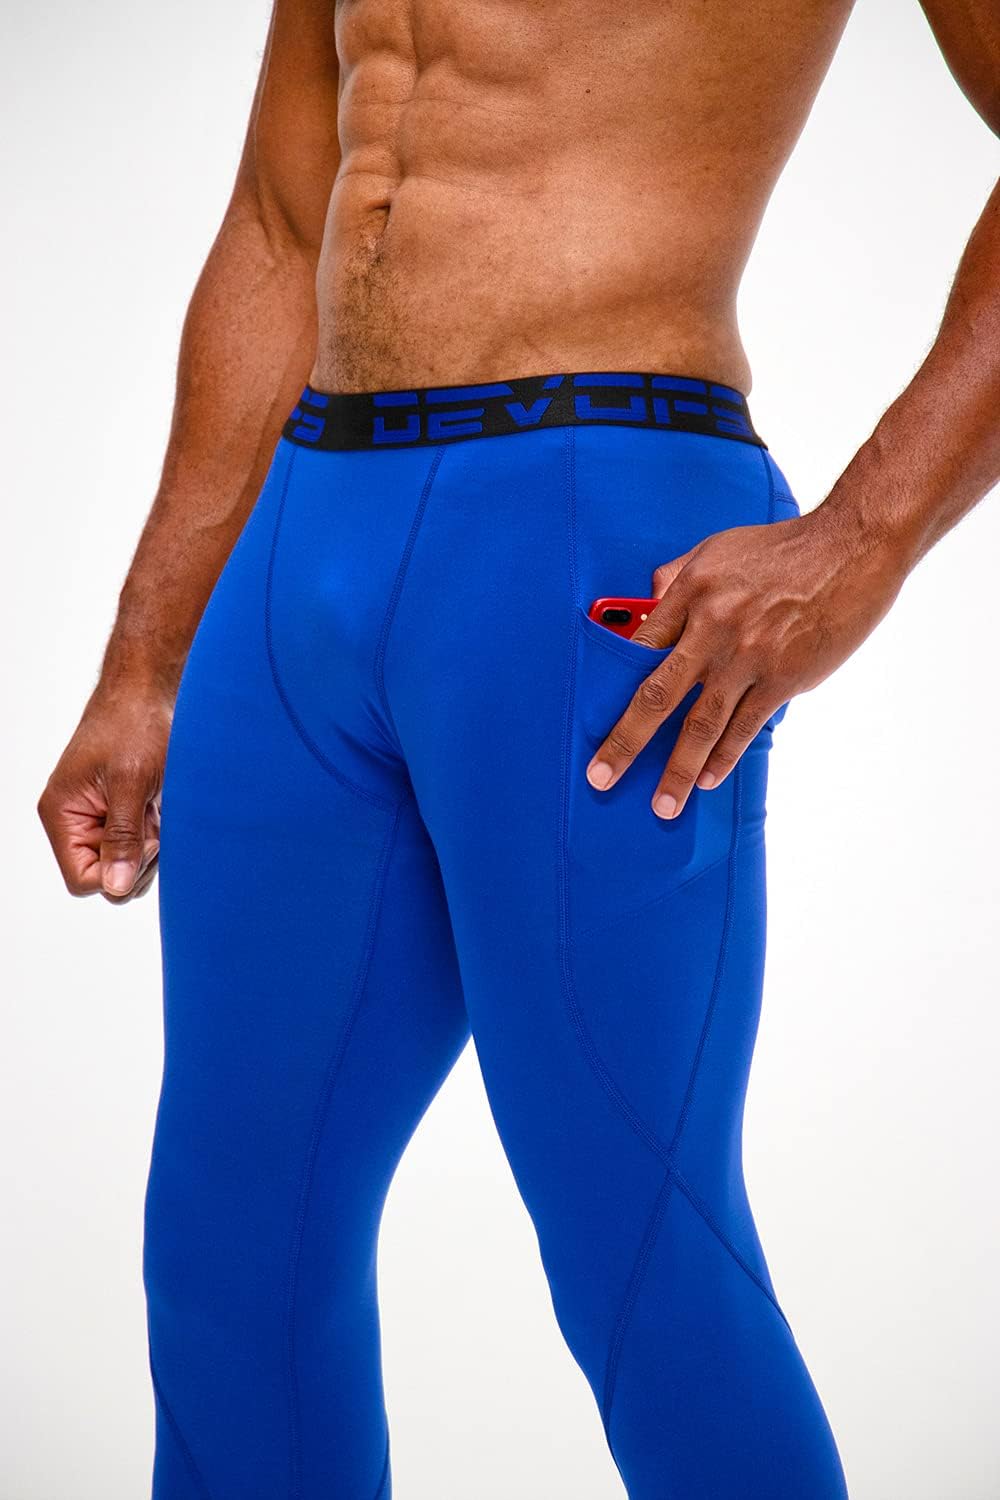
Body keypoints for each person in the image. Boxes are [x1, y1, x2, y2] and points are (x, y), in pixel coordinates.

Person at [37, 0, 999, 1495]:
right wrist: (147, 659)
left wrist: (862, 538)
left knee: (639, 1240)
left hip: (590, 525)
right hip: (302, 542)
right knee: (231, 1239)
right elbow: (283, 221)